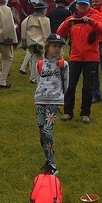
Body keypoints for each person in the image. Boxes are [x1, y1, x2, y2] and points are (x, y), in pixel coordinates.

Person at [56, 0, 101, 124]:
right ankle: (67, 112)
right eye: (80, 4)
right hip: (75, 56)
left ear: (88, 6)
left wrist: (91, 22)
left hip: (91, 57)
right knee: (70, 85)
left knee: (88, 87)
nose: (82, 7)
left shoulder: (95, 16)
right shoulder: (71, 18)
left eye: (84, 5)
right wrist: (67, 24)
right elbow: (60, 33)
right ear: (76, 6)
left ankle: (85, 113)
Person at [33, 33, 69, 176]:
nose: (57, 49)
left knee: (48, 131)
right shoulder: (40, 64)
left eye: (59, 47)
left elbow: (66, 83)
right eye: (54, 46)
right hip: (40, 100)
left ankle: (53, 164)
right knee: (42, 133)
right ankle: (48, 160)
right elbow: (38, 80)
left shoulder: (63, 65)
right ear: (47, 47)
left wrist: (60, 97)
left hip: (54, 102)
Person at [20, 2, 52, 85]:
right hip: (40, 42)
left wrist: (24, 41)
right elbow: (46, 32)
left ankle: (33, 78)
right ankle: (38, 77)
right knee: (42, 60)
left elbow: (23, 29)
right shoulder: (45, 19)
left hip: (30, 42)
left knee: (35, 60)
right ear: (41, 10)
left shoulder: (27, 19)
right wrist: (48, 42)